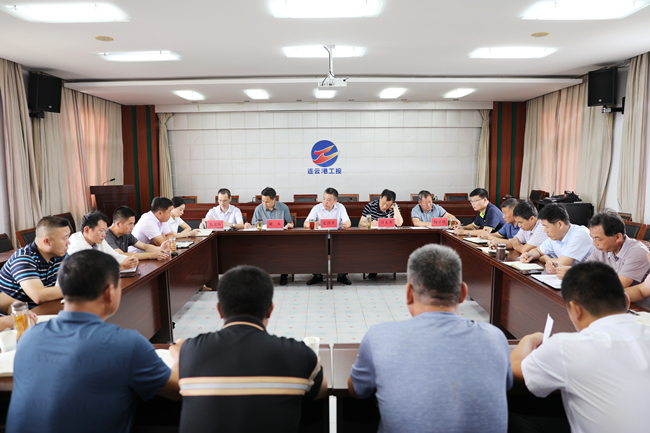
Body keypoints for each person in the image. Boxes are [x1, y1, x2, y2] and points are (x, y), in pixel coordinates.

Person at [6, 249, 179, 433]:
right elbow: (179, 389)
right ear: (110, 292)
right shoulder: (127, 344)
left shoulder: (28, 337)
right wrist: (181, 355)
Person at [348, 244, 512, 433]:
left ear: (408, 293)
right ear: (463, 293)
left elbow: (357, 390)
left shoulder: (379, 336)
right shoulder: (495, 338)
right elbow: (506, 383)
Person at [174, 265, 327, 433]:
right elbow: (321, 391)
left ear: (219, 310)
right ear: (270, 310)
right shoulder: (299, 354)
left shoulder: (190, 351)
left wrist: (178, 354)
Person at [510, 262, 650, 433]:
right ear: (627, 301)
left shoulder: (566, 347)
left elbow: (514, 371)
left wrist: (529, 339)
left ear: (576, 309)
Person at [555, 212, 649, 287]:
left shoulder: (637, 252)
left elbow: (617, 285)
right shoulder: (602, 248)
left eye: (598, 239)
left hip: (632, 303)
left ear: (617, 237)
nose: (594, 243)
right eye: (592, 238)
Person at [0, 216, 70, 312]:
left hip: (42, 310)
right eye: (64, 238)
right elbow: (39, 296)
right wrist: (78, 288)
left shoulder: (60, 254)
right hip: (18, 317)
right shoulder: (23, 259)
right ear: (47, 241)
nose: (68, 242)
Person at [519, 204, 594, 273]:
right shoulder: (556, 236)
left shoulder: (580, 234)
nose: (544, 230)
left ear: (560, 224)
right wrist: (529, 255)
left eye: (546, 226)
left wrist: (546, 258)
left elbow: (560, 264)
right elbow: (538, 250)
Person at [304, 187, 352, 285]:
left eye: (329, 200)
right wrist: (312, 225)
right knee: (311, 249)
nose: (325, 202)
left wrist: (346, 225)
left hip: (336, 238)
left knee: (346, 248)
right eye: (324, 198)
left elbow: (348, 221)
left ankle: (342, 276)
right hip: (320, 239)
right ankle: (317, 276)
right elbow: (305, 223)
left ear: (335, 201)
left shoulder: (340, 207)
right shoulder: (317, 208)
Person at [246, 187, 294, 285]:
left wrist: (290, 225)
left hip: (280, 238)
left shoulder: (283, 207)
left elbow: (291, 223)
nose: (264, 204)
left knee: (284, 249)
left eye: (267, 202)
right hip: (263, 238)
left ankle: (284, 274)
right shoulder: (258, 209)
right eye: (263, 201)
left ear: (274, 199)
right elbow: (254, 225)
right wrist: (249, 226)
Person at [67, 211, 139, 271]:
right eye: (101, 230)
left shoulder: (98, 240)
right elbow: (89, 270)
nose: (104, 234)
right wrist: (121, 267)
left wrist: (130, 260)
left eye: (105, 230)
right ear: (86, 230)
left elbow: (114, 256)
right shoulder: (75, 243)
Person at [360, 189, 403, 279]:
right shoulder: (370, 206)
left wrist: (394, 207)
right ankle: (374, 269)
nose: (384, 206)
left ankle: (388, 267)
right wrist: (370, 224)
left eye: (388, 204)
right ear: (380, 198)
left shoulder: (394, 207)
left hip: (390, 239)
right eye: (383, 203)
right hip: (373, 238)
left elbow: (399, 223)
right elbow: (360, 224)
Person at [105, 206, 171, 261]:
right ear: (118, 224)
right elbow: (121, 255)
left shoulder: (126, 234)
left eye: (133, 223)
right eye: (130, 224)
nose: (132, 227)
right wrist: (152, 255)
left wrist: (161, 250)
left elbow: (144, 246)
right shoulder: (106, 236)